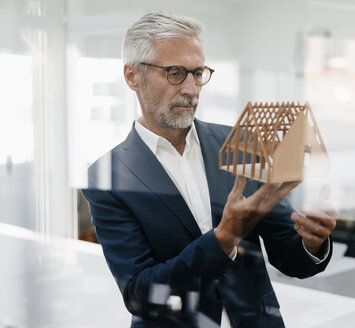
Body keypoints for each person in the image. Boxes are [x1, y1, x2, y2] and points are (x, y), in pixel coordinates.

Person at [82, 11, 337, 328]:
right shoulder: (107, 176)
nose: (191, 89)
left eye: (198, 72)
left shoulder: (239, 142)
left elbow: (288, 253)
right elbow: (140, 294)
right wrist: (225, 237)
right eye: (175, 73)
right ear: (132, 76)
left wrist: (312, 241)